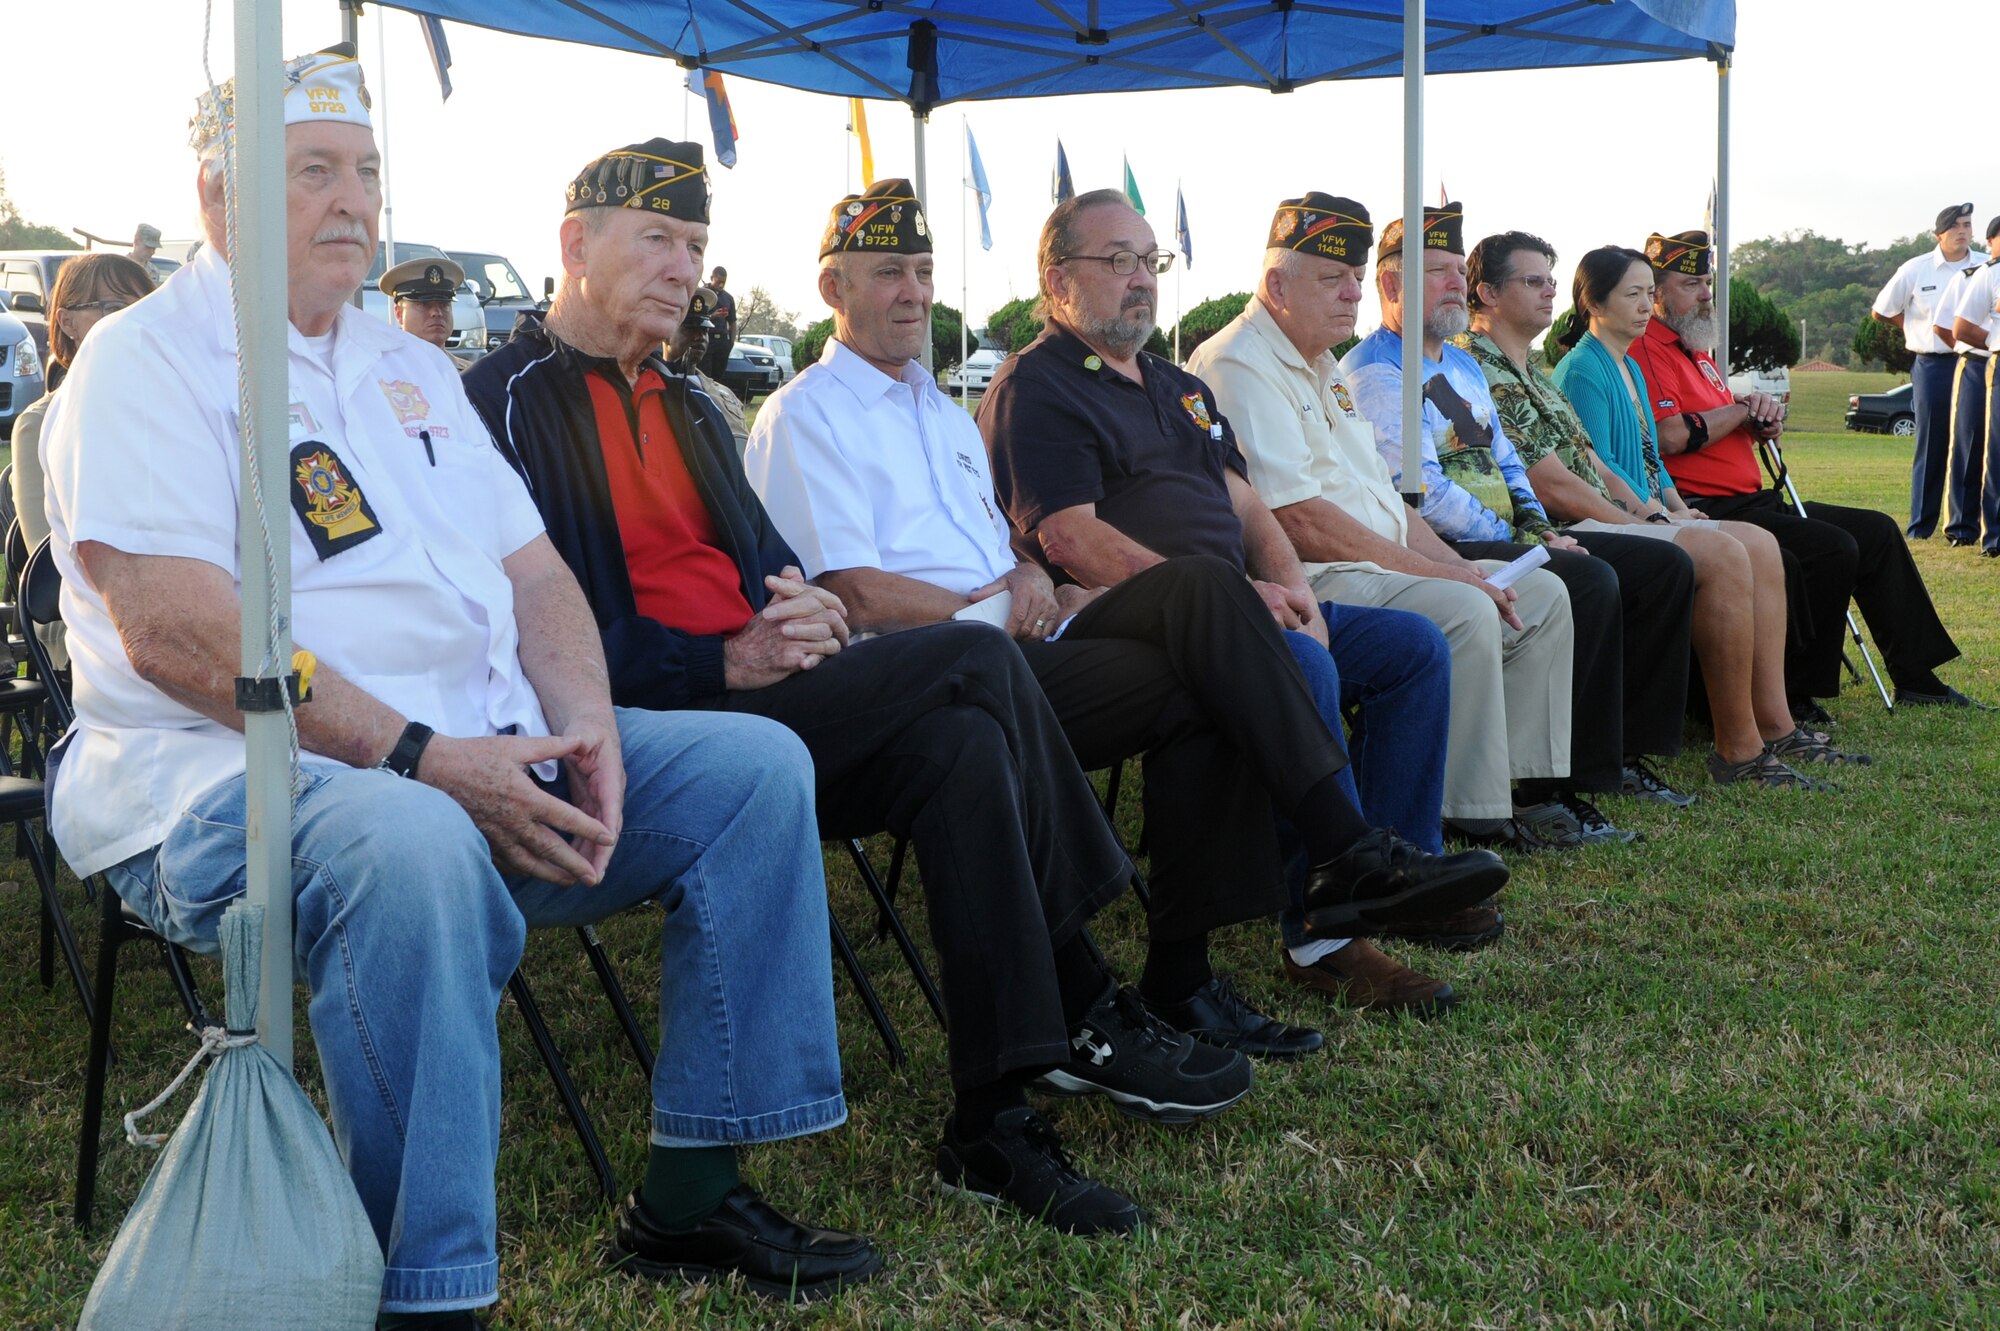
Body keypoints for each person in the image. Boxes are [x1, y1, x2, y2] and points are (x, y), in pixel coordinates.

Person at [44, 54, 878, 1326]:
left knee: (751, 769)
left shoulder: (409, 364)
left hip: (478, 753)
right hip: (224, 781)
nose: (353, 201)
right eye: (311, 171)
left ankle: (693, 1189)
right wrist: (426, 755)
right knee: (416, 835)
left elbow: (536, 575)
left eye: (367, 172)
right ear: (217, 197)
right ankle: (429, 1293)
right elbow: (176, 635)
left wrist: (589, 724)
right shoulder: (146, 359)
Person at [465, 154, 1280, 1239]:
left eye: (697, 248)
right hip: (658, 717)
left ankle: (989, 1120)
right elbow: (522, 634)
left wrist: (802, 614)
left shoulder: (690, 405)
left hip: (775, 689)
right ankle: (1084, 991)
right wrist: (722, 662)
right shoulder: (498, 403)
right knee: (974, 664)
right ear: (574, 247)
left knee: (960, 744)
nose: (685, 270)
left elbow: (776, 565)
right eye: (655, 242)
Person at [976, 187, 1510, 1013]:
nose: (1142, 280)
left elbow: (1250, 505)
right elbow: (1072, 539)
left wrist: (1292, 588)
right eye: (1117, 262)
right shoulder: (1037, 385)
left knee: (1411, 649)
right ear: (1056, 280)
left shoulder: (1172, 381)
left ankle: (1396, 877)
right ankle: (1323, 930)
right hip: (1133, 626)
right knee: (1297, 660)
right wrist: (1246, 602)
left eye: (1150, 262)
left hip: (1245, 601)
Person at [1187, 194, 1578, 908]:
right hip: (1314, 575)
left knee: (1544, 591)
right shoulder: (1239, 363)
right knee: (1461, 608)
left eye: (1356, 277)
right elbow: (1298, 523)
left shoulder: (1324, 363)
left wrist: (1458, 562)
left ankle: (1516, 789)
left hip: (1370, 557)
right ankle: (1449, 824)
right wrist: (1446, 575)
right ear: (1276, 285)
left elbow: (1389, 504)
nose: (1353, 292)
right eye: (1332, 278)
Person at [1344, 205, 1695, 831]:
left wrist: (1539, 530)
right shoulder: (1378, 372)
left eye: (1458, 269)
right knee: (1587, 581)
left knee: (1657, 566)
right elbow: (1422, 494)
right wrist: (1518, 538)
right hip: (1438, 542)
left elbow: (1509, 465)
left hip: (1506, 534)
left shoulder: (1462, 366)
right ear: (1392, 285)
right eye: (1438, 272)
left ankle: (1614, 756)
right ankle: (1545, 786)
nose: (1453, 282)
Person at [1473, 234, 1859, 786]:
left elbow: (1612, 461)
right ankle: (1738, 747)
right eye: (1533, 282)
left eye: (1549, 281)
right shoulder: (1569, 369)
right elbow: (1556, 482)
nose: (1645, 306)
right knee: (1725, 553)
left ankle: (1774, 722)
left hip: (1612, 511)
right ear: (1596, 303)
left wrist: (1665, 508)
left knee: (1762, 544)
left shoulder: (1547, 370)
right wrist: (1645, 521)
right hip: (1564, 525)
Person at [1635, 229, 1979, 711]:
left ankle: (1917, 676)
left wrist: (1757, 418)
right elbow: (1671, 435)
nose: (1707, 295)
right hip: (1705, 508)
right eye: (1691, 285)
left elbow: (1716, 420)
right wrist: (1740, 413)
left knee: (1876, 530)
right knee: (1830, 548)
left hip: (1753, 499)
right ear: (1656, 294)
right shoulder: (1648, 349)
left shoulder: (1697, 353)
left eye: (1708, 283)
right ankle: (1795, 692)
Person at [10, 252, 157, 671]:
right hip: (86, 621)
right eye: (110, 307)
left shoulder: (176, 414)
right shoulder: (39, 424)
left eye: (139, 306)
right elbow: (53, 564)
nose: (128, 319)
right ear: (66, 322)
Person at [1873, 203, 1983, 538]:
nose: (1963, 231)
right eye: (1955, 226)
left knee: (1972, 441)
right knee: (1932, 441)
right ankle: (1921, 526)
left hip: (1975, 363)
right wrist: (1911, 330)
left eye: (1966, 224)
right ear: (1939, 234)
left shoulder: (1984, 266)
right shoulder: (1916, 269)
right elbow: (1881, 310)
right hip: (1933, 364)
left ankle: (1965, 526)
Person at [1933, 216, 2000, 552]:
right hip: (1977, 364)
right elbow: (1947, 326)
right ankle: (1961, 525)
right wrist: (1981, 346)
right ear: (1991, 240)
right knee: (1970, 445)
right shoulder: (1973, 276)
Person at [666, 284, 749, 446]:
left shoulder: (725, 395)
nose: (700, 337)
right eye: (689, 328)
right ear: (666, 333)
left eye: (704, 330)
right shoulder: (652, 390)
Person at [379, 253, 471, 366]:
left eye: (444, 304)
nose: (436, 313)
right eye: (424, 305)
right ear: (399, 313)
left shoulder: (471, 375)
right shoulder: (385, 372)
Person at [702, 263, 737, 381]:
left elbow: (732, 321)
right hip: (706, 338)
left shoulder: (728, 298)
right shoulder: (702, 294)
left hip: (722, 341)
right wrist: (713, 316)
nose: (721, 285)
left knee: (718, 377)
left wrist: (731, 341)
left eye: (724, 282)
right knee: (704, 375)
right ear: (712, 278)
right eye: (718, 282)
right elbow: (696, 317)